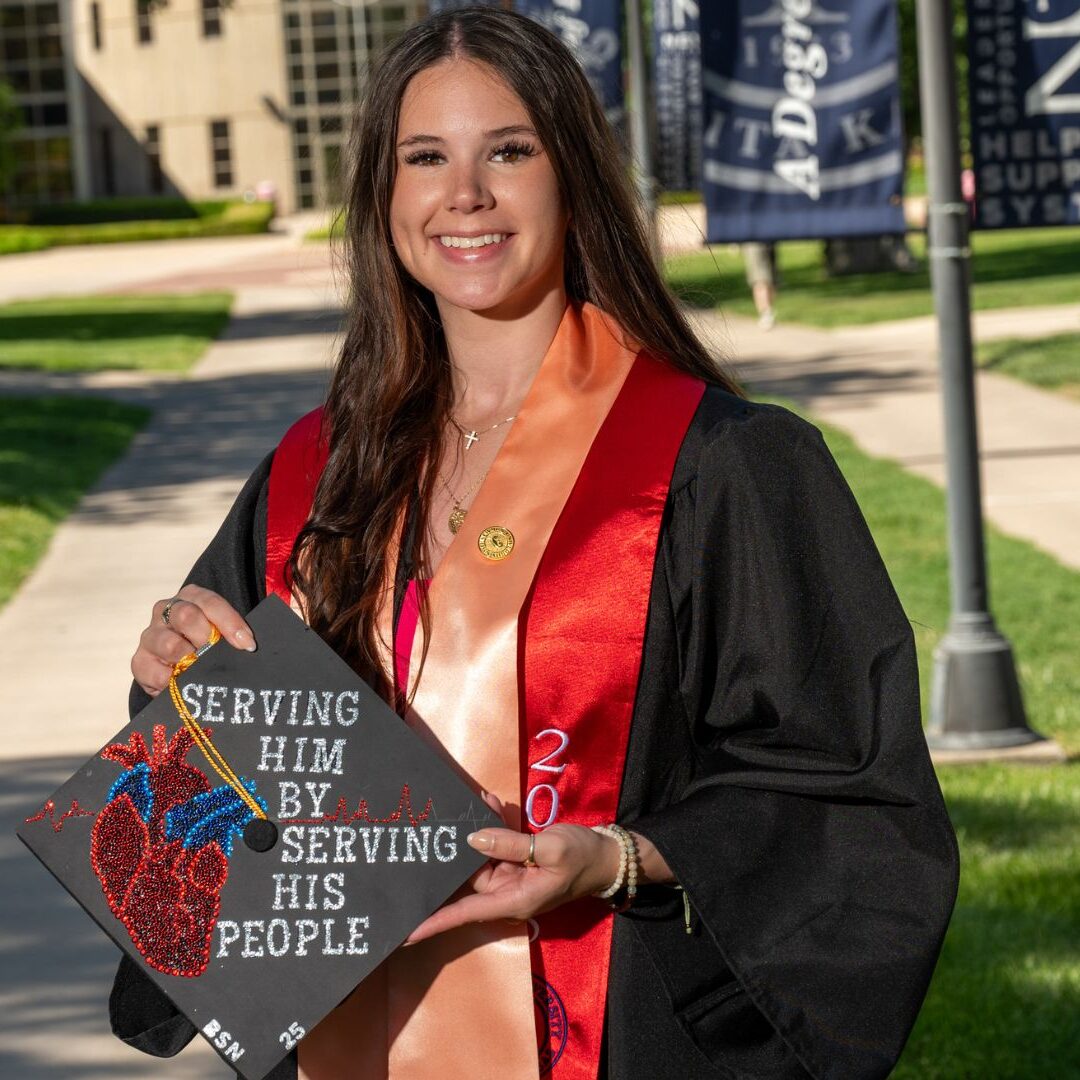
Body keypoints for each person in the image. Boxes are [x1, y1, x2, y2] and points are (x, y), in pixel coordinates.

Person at [110, 8, 959, 1079]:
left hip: (608, 1026)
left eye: (508, 151)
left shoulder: (717, 466)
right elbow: (213, 800)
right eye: (426, 157)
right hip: (340, 1037)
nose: (465, 194)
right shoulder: (312, 475)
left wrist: (616, 859)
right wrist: (179, 685)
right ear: (384, 196)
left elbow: (843, 785)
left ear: (573, 180)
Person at [740, 241, 778, 330]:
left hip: (765, 240)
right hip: (755, 241)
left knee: (766, 279)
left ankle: (766, 312)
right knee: (760, 278)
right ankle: (766, 312)